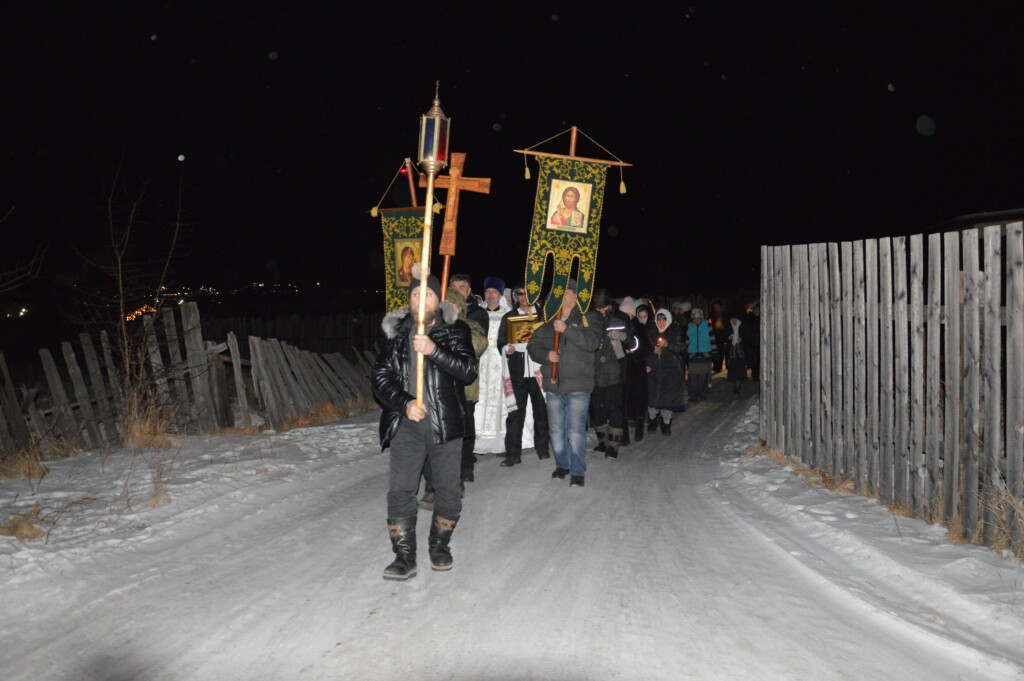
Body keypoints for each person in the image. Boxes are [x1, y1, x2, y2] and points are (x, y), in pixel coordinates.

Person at [372, 273, 477, 580]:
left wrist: (433, 350)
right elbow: (380, 378)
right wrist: (405, 403)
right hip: (406, 425)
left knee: (448, 490)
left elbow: (468, 370)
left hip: (444, 424)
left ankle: (439, 545)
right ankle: (404, 557)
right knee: (400, 491)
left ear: (437, 300)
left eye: (427, 295)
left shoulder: (455, 331)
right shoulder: (396, 335)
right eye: (415, 295)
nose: (420, 300)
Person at [418, 288, 489, 509]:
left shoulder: (470, 327)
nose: (448, 308)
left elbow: (477, 347)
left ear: (460, 308)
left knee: (455, 443)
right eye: (445, 304)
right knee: (430, 442)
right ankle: (431, 487)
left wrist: (452, 333)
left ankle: (456, 480)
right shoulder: (430, 326)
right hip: (432, 392)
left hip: (462, 393)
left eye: (453, 305)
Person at [527, 279, 602, 487]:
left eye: (566, 293)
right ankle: (562, 465)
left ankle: (577, 471)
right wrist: (546, 355)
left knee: (575, 430)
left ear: (576, 297)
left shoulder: (589, 317)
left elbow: (592, 342)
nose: (561, 297)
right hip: (553, 385)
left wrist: (566, 329)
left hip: (578, 384)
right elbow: (533, 346)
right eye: (558, 293)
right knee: (556, 429)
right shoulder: (548, 317)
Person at [497, 281, 549, 466]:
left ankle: (542, 448)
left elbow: (549, 338)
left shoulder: (542, 316)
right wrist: (506, 348)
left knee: (541, 411)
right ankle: (512, 453)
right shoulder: (509, 317)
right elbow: (501, 341)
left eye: (527, 293)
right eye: (520, 294)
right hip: (517, 371)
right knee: (515, 414)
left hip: (538, 370)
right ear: (515, 296)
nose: (524, 297)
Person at [448, 273, 490, 480]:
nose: (457, 291)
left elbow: (475, 345)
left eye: (461, 287)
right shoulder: (437, 316)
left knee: (465, 425)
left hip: (466, 382)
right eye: (453, 287)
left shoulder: (478, 314)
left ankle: (465, 467)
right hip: (443, 383)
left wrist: (454, 322)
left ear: (469, 291)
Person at [590, 289, 635, 458]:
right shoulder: (591, 317)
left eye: (604, 307)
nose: (601, 311)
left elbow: (634, 343)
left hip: (615, 372)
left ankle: (613, 446)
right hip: (595, 372)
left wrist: (622, 337)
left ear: (610, 304)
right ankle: (602, 443)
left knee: (614, 409)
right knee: (598, 410)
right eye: (598, 308)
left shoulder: (621, 318)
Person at [472, 276, 514, 456]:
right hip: (481, 362)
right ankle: (479, 443)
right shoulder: (477, 314)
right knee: (480, 400)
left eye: (494, 292)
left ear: (500, 295)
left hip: (499, 362)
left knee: (500, 401)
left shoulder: (508, 315)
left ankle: (500, 443)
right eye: (487, 292)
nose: (490, 295)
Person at [646, 308, 687, 434]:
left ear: (668, 320)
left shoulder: (675, 330)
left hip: (671, 371)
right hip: (653, 370)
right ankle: (652, 420)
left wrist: (667, 345)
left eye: (664, 319)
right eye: (658, 319)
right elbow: (644, 348)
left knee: (667, 399)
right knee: (652, 397)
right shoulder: (650, 331)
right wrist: (652, 351)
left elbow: (681, 348)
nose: (661, 322)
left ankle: (666, 423)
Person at [622, 299, 653, 442]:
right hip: (625, 368)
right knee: (626, 399)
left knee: (638, 397)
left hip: (638, 368)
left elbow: (647, 348)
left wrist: (634, 353)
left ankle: (638, 427)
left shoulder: (641, 328)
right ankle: (626, 434)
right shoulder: (624, 326)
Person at [686, 307, 714, 402]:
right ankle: (693, 394)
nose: (696, 320)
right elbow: (687, 341)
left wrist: (714, 352)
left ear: (701, 317)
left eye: (698, 318)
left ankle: (703, 392)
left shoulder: (707, 326)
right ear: (692, 318)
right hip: (693, 356)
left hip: (705, 355)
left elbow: (712, 339)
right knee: (693, 376)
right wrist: (686, 352)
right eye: (694, 318)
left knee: (703, 376)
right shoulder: (689, 327)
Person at [725, 316, 752, 393]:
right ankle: (736, 384)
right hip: (732, 352)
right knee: (733, 369)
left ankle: (737, 385)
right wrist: (728, 337)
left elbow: (749, 337)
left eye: (735, 319)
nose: (733, 321)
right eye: (732, 319)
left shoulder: (743, 326)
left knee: (740, 369)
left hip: (741, 352)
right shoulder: (728, 326)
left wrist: (742, 339)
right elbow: (723, 336)